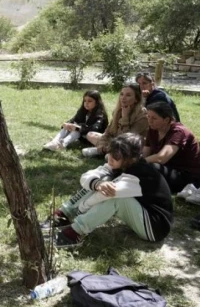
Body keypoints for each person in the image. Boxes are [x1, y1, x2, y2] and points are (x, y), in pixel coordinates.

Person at [42, 133, 173, 248]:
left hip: (155, 226)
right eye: (110, 152)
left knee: (115, 198)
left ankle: (74, 233)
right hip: (141, 213)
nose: (110, 157)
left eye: (116, 156)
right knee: (100, 180)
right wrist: (97, 183)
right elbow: (86, 177)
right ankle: (63, 214)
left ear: (130, 159)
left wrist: (82, 208)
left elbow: (105, 196)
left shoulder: (139, 175)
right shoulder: (121, 165)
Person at [143, 102, 200, 194]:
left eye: (154, 118)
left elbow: (161, 158)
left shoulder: (178, 132)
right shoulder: (153, 129)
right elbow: (145, 153)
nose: (150, 121)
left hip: (186, 177)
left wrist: (139, 163)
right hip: (167, 169)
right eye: (148, 117)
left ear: (166, 120)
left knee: (149, 167)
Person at [82, 83, 148, 158]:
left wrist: (125, 117)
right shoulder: (117, 111)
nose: (123, 98)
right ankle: (106, 150)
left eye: (128, 95)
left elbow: (127, 139)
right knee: (90, 134)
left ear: (136, 99)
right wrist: (102, 144)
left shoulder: (143, 116)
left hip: (129, 145)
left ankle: (107, 152)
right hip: (114, 140)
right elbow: (108, 132)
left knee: (113, 153)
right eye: (122, 94)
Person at [43, 90, 108, 151]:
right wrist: (67, 124)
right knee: (68, 127)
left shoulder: (100, 115)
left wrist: (78, 128)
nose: (86, 103)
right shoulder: (83, 111)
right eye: (85, 101)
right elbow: (74, 120)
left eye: (90, 101)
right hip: (83, 136)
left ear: (97, 102)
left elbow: (95, 129)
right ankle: (54, 142)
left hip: (92, 139)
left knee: (77, 130)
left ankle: (62, 144)